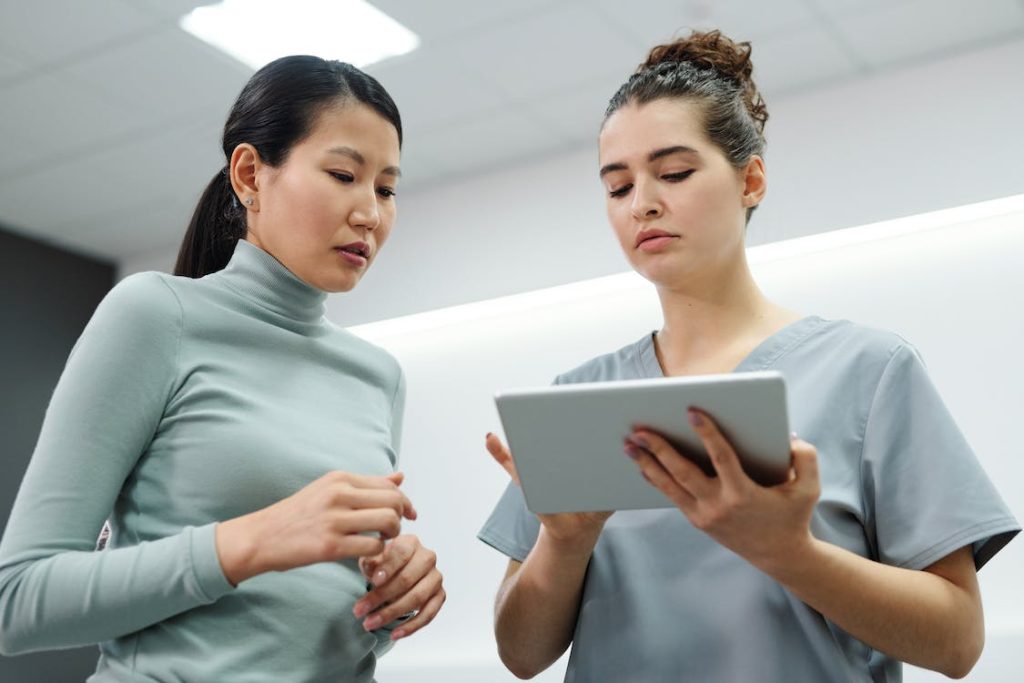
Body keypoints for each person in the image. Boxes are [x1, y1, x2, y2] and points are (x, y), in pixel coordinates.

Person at [479, 30, 1019, 682]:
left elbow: (957, 642)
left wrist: (790, 552)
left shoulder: (869, 371)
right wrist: (564, 542)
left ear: (751, 179)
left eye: (674, 173)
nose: (643, 202)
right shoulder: (576, 398)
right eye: (618, 187)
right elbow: (521, 653)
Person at [0, 56, 444, 682]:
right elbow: (18, 600)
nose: (370, 212)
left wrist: (391, 603)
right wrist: (252, 542)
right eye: (344, 174)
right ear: (249, 174)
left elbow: (293, 622)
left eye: (387, 188)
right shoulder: (156, 315)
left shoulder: (379, 374)